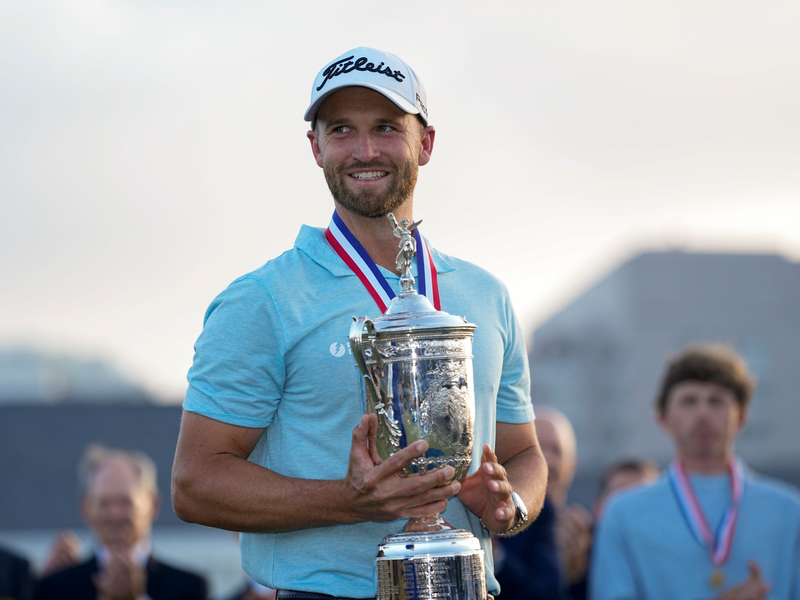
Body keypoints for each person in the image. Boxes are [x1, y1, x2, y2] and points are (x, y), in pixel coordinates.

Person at [171, 46, 548, 599]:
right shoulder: (262, 300)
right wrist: (348, 502)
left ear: (426, 143)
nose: (364, 150)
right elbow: (195, 484)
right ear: (316, 146)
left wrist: (509, 505)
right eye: (342, 129)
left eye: (386, 127)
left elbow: (524, 453)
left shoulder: (486, 296)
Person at [591, 345, 800, 600]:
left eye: (716, 401)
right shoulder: (622, 514)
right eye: (689, 401)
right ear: (663, 417)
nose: (703, 413)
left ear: (742, 417)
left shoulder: (790, 512)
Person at [34, 445, 207, 600]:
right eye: (104, 503)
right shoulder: (55, 588)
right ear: (85, 508)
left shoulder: (188, 588)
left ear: (153, 505)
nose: (115, 514)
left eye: (125, 502)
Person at [494, 407, 591, 599]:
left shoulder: (589, 534)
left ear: (573, 464)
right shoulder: (496, 523)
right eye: (536, 448)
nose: (546, 461)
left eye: (556, 450)